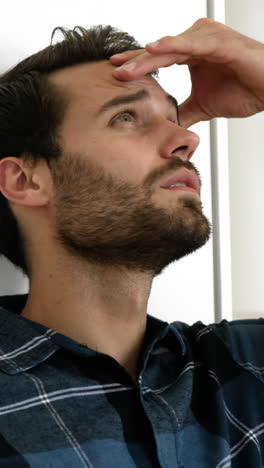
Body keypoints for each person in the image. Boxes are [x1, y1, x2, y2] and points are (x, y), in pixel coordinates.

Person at [0, 17, 263, 467]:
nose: (188, 138)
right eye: (126, 116)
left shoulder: (245, 366)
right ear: (26, 180)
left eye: (174, 117)